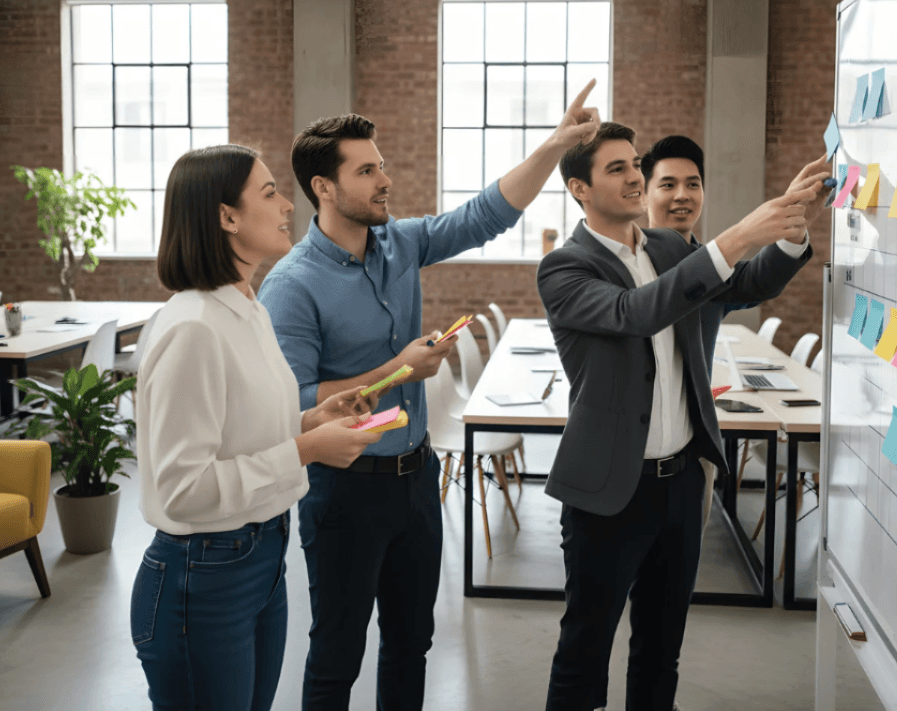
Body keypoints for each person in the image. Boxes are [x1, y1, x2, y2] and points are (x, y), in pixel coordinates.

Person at [257, 83, 601, 710]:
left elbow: (485, 214)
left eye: (381, 163)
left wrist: (554, 146)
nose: (385, 178)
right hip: (345, 491)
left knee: (411, 641)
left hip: (415, 480)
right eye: (366, 170)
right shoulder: (290, 285)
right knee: (337, 654)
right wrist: (396, 370)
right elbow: (296, 400)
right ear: (323, 189)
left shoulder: (399, 243)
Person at [537, 122, 828, 711]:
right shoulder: (565, 268)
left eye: (633, 164)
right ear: (578, 189)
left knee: (661, 648)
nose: (634, 177)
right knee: (585, 652)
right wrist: (738, 234)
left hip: (680, 485)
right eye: (615, 169)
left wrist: (792, 229)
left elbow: (744, 283)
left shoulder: (670, 247)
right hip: (608, 492)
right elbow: (635, 311)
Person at [130, 144, 386, 711]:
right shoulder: (193, 327)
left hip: (262, 556)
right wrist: (304, 449)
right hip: (205, 573)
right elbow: (183, 488)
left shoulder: (249, 307)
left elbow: (239, 432)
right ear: (227, 217)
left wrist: (310, 420)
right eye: (269, 194)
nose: (286, 206)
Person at [640, 134, 756, 536]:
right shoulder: (624, 266)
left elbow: (758, 279)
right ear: (644, 195)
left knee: (674, 588)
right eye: (668, 184)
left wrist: (793, 232)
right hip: (629, 458)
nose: (682, 196)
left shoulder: (715, 268)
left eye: (693, 184)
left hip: (691, 457)